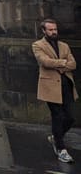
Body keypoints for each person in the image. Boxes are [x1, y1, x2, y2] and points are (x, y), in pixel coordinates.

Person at [32, 18, 77, 164]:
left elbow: (73, 64)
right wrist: (63, 62)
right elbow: (45, 62)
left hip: (66, 86)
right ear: (44, 31)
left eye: (55, 29)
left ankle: (56, 137)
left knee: (70, 118)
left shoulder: (64, 46)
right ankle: (61, 149)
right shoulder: (38, 45)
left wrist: (59, 64)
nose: (54, 32)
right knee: (57, 116)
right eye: (50, 30)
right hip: (50, 87)